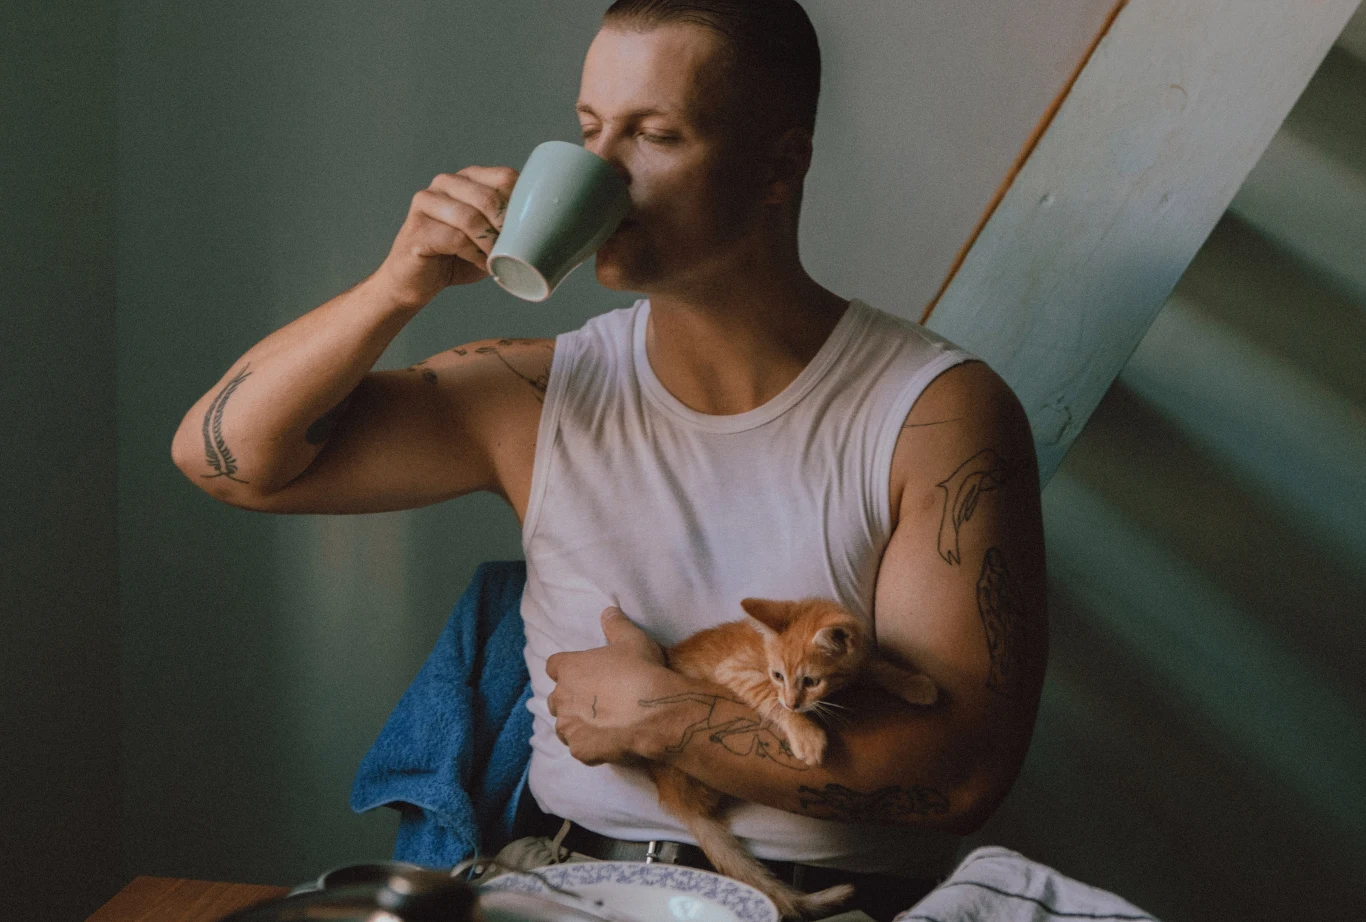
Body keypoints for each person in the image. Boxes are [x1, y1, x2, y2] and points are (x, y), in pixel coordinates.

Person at [171, 1, 1048, 918]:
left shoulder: (933, 414)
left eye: (654, 135)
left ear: (781, 165)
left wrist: (664, 720)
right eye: (590, 131)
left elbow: (961, 777)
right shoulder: (539, 391)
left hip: (823, 905)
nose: (602, 172)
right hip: (563, 889)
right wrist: (398, 287)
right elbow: (227, 460)